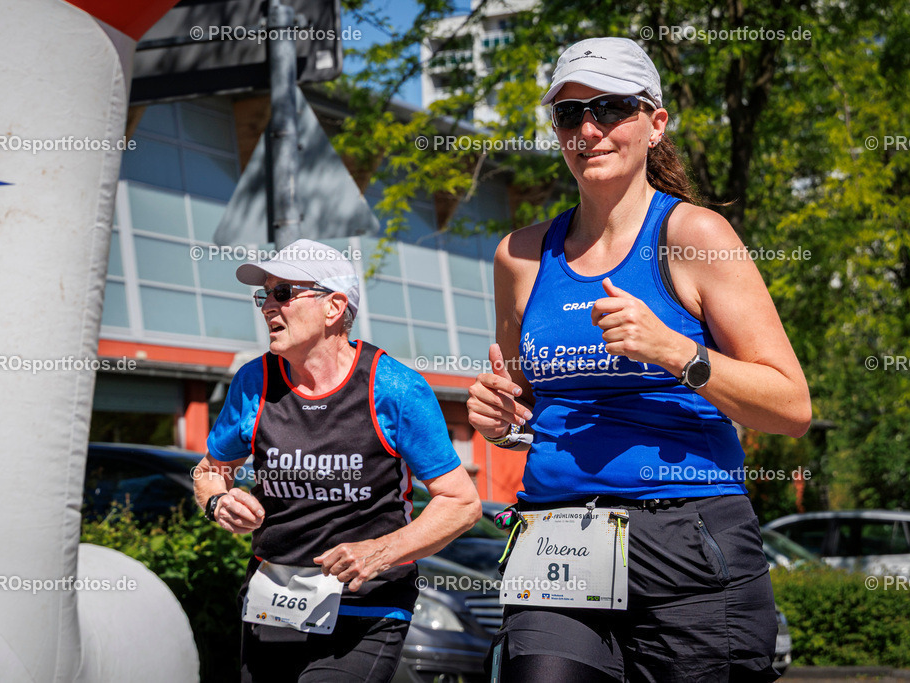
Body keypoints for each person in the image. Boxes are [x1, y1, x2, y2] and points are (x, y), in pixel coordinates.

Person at [466, 38, 811, 682]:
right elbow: (522, 406)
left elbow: (790, 407)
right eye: (570, 115)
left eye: (611, 108)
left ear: (655, 124)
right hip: (556, 531)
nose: (588, 129)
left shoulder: (695, 236)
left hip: (687, 536)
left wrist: (673, 349)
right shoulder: (520, 255)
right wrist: (502, 418)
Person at [193, 239, 482, 682]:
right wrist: (218, 502)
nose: (269, 306)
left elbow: (461, 504)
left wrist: (379, 552)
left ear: (334, 308)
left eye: (284, 293)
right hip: (273, 605)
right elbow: (212, 470)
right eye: (264, 295)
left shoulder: (394, 388)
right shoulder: (254, 381)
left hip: (367, 608)